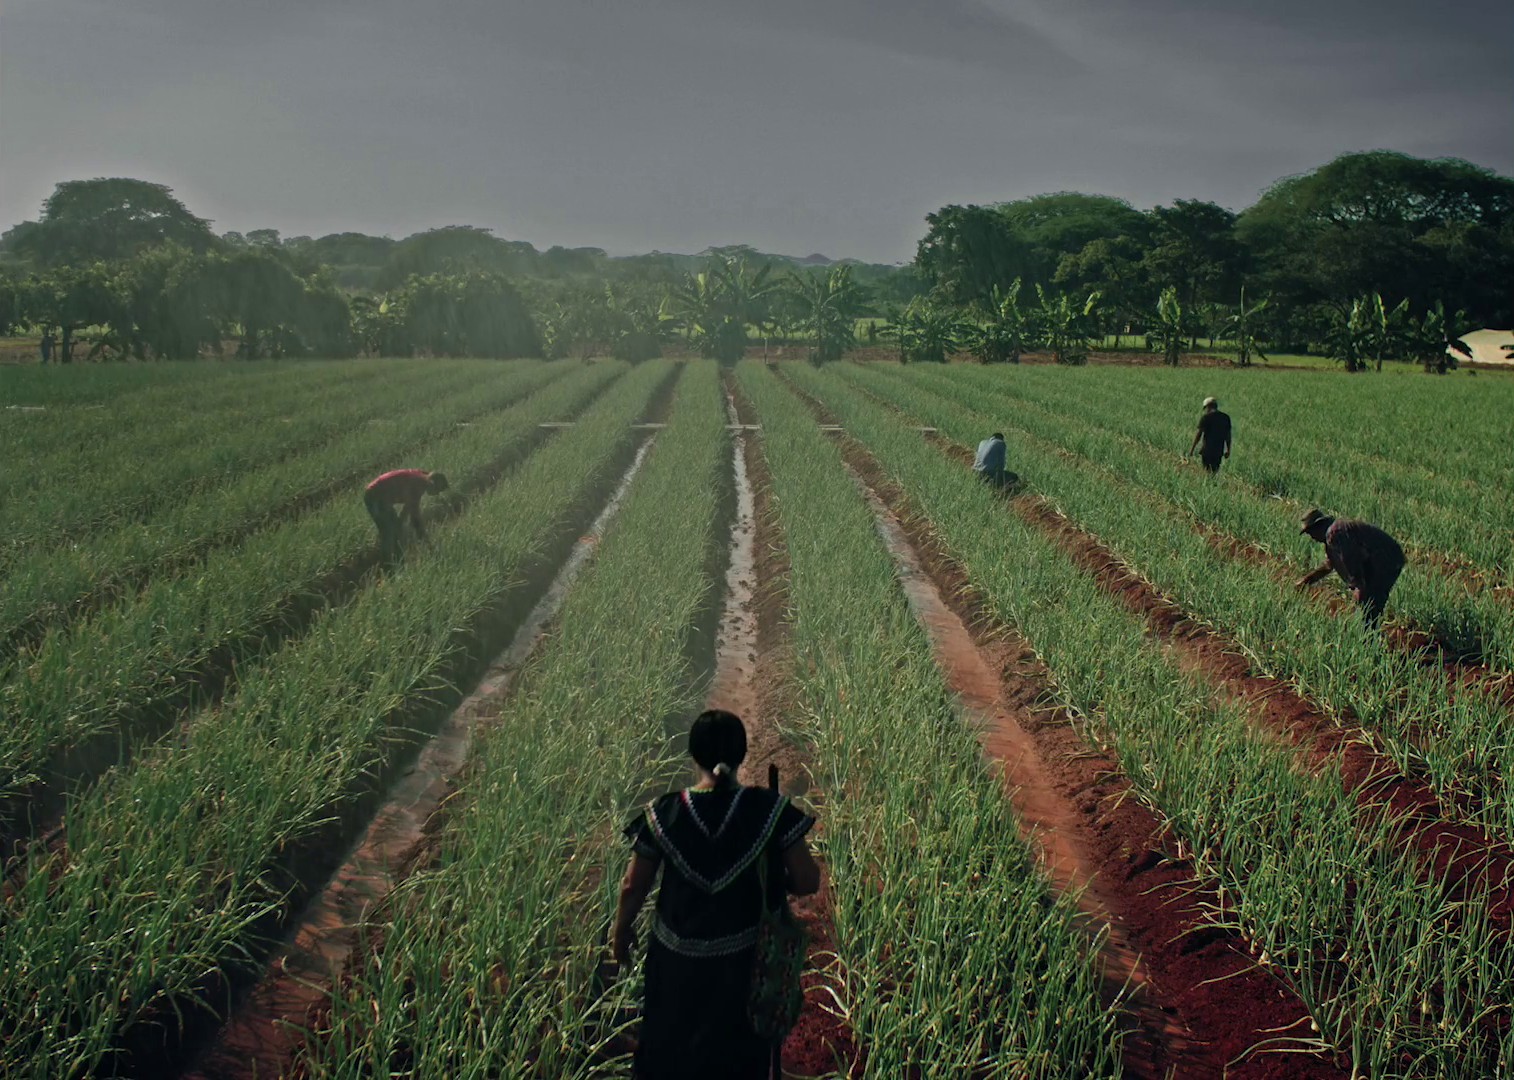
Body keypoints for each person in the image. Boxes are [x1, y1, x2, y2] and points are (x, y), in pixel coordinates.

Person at [613, 709, 821, 1080]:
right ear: (741, 755)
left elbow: (633, 886)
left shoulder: (664, 813)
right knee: (736, 1059)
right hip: (742, 965)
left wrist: (621, 930)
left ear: (693, 755)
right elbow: (807, 880)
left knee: (670, 1054)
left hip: (675, 964)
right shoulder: (768, 810)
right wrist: (774, 881)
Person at [1296, 509, 1406, 627]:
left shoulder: (1335, 532)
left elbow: (1352, 558)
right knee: (1368, 604)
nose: (1311, 537)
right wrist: (1306, 581)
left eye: (1310, 532)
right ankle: (1368, 631)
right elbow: (1329, 565)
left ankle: (1369, 633)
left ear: (1318, 526)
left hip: (1386, 560)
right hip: (1384, 559)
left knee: (1370, 601)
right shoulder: (1334, 535)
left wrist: (1358, 586)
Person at [363, 469, 448, 560]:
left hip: (381, 497)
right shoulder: (419, 485)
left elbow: (409, 511)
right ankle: (388, 562)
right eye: (438, 490)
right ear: (432, 483)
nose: (437, 494)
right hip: (375, 496)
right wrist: (428, 545)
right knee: (388, 531)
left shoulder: (423, 477)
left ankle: (396, 559)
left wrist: (401, 525)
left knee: (395, 529)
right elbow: (413, 518)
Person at [1187, 397, 1231, 474]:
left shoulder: (1206, 417)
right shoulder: (1225, 418)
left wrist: (1192, 449)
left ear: (1208, 407)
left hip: (1207, 450)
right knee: (1214, 472)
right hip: (1218, 451)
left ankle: (1207, 481)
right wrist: (1228, 450)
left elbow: (1198, 435)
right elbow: (1228, 436)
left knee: (1206, 472)